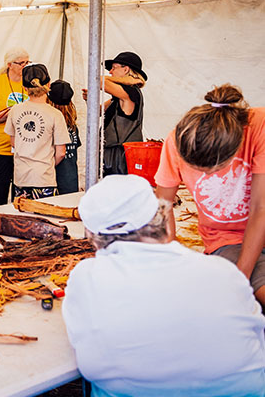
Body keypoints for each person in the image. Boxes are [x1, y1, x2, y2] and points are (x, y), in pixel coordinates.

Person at [63, 174, 265, 396]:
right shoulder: (225, 272)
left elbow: (85, 348)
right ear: (162, 218)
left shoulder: (86, 278)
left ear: (91, 235)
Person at [155, 84, 265, 309]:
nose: (203, 176)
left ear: (234, 149)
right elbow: (162, 205)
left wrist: (239, 281)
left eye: (211, 170)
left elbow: (260, 207)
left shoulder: (259, 126)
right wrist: (172, 259)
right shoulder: (178, 139)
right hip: (229, 238)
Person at [5, 64, 70, 199]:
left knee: (22, 212)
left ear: (24, 88)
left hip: (21, 177)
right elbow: (61, 153)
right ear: (49, 84)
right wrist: (46, 164)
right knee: (43, 212)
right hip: (44, 178)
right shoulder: (55, 114)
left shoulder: (15, 110)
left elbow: (13, 143)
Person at [83, 51, 147, 175]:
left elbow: (98, 80)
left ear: (126, 69)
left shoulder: (130, 93)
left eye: (113, 68)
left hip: (119, 156)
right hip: (114, 154)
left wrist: (128, 80)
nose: (110, 72)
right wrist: (89, 100)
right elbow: (98, 111)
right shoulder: (119, 97)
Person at [0, 47, 30, 207]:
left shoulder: (29, 83)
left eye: (27, 62)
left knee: (21, 192)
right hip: (0, 148)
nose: (25, 66)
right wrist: (8, 114)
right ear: (9, 64)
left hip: (24, 148)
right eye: (21, 63)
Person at [48, 79, 80, 194]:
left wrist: (48, 166)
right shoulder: (73, 126)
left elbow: (61, 153)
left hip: (52, 179)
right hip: (70, 180)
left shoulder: (50, 123)